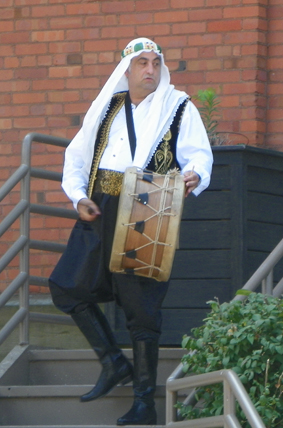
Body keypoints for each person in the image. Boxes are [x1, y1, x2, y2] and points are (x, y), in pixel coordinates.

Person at [48, 38, 213, 426]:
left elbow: (200, 155)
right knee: (66, 286)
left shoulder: (179, 106)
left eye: (156, 62)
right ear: (126, 69)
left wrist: (196, 174)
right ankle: (112, 363)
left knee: (141, 307)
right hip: (100, 205)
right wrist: (76, 196)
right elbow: (75, 158)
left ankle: (145, 404)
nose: (150, 70)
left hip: (148, 208)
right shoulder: (106, 108)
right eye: (142, 63)